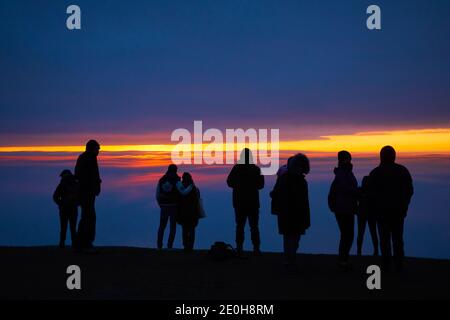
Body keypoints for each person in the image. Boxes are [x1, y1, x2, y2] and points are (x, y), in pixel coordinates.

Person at [368, 146, 413, 272]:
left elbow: (370, 194)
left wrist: (374, 209)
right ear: (394, 156)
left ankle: (386, 267)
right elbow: (409, 191)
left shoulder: (375, 173)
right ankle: (399, 266)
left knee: (384, 240)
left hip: (382, 213)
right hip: (398, 212)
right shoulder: (402, 171)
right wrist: (404, 205)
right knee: (398, 239)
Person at [270, 153, 311, 273]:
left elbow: (275, 193)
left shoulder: (284, 178)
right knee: (293, 238)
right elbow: (303, 202)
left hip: (285, 214)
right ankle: (290, 262)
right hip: (294, 214)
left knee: (288, 238)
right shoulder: (300, 182)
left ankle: (288, 261)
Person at [227, 148, 264, 255]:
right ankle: (256, 249)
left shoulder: (236, 168)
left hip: (239, 202)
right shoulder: (256, 169)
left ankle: (239, 248)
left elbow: (229, 182)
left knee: (240, 226)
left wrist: (239, 186)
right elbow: (261, 185)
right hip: (253, 202)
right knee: (254, 226)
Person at [328, 150, 358, 269]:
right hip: (344, 208)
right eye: (346, 158)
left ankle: (343, 260)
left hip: (346, 208)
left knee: (347, 235)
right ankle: (343, 261)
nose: (348, 160)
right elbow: (346, 189)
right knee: (347, 235)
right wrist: (358, 192)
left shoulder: (345, 172)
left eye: (349, 158)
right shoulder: (343, 173)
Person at [156, 164, 192, 250]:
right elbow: (183, 192)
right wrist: (191, 186)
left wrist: (160, 205)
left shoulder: (161, 180)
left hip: (163, 207)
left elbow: (157, 195)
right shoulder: (177, 181)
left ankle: (159, 246)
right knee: (172, 227)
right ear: (175, 170)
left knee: (162, 226)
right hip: (174, 206)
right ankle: (169, 246)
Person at [75, 139, 101, 251]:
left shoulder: (90, 158)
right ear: (92, 148)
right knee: (88, 217)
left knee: (87, 216)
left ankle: (83, 242)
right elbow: (80, 175)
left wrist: (97, 184)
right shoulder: (86, 158)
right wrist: (93, 184)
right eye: (97, 149)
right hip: (85, 193)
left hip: (88, 193)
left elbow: (93, 175)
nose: (98, 151)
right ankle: (85, 242)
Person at [53, 169, 79, 248]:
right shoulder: (76, 183)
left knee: (63, 227)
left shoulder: (62, 184)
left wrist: (61, 203)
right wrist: (77, 203)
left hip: (64, 209)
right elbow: (80, 195)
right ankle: (74, 244)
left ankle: (62, 243)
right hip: (73, 208)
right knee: (73, 227)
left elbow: (55, 197)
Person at [176, 172, 201, 252]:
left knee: (185, 230)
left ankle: (186, 246)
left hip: (183, 212)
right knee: (192, 230)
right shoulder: (195, 188)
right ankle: (190, 247)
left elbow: (179, 202)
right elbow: (198, 201)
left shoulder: (180, 189)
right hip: (193, 213)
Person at [356, 175, 379, 256]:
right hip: (369, 214)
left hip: (363, 214)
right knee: (372, 232)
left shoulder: (360, 191)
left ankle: (360, 251)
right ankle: (375, 250)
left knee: (362, 232)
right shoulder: (372, 192)